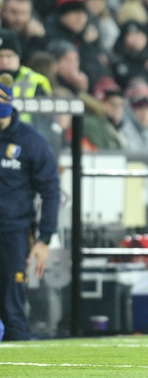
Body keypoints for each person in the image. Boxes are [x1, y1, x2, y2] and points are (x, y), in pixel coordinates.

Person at [0, 72, 60, 341]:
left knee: (12, 309)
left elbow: (50, 190)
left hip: (13, 233)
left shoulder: (31, 141)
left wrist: (44, 238)